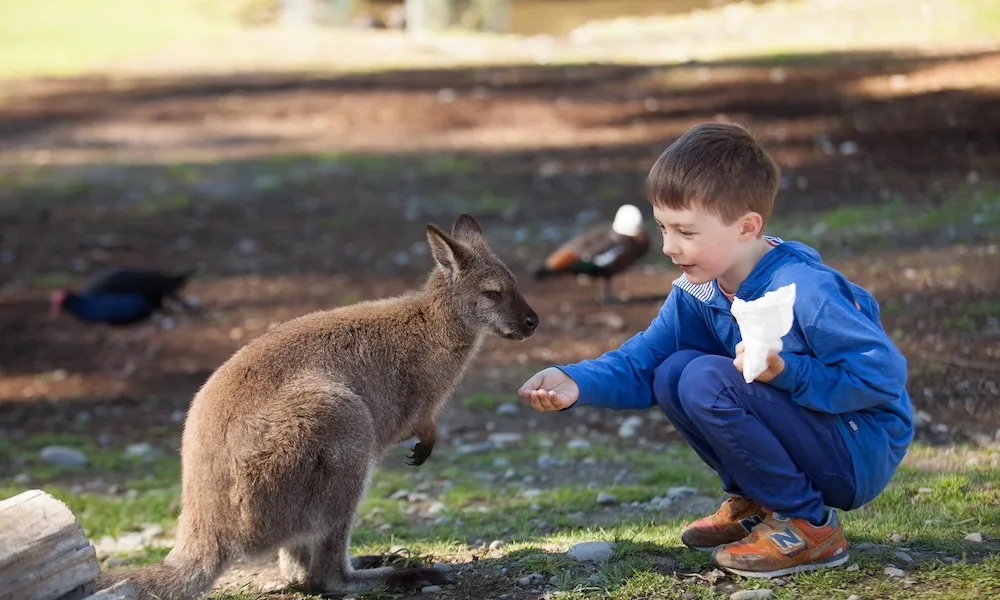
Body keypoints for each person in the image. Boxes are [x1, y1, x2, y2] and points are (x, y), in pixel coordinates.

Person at [517, 122, 912, 578]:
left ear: (747, 227)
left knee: (705, 378)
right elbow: (643, 361)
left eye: (686, 232)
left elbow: (882, 378)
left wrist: (789, 374)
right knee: (672, 371)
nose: (668, 246)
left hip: (856, 449)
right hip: (816, 439)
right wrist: (577, 381)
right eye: (663, 228)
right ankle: (760, 503)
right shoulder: (698, 290)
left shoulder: (806, 289)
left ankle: (810, 527)